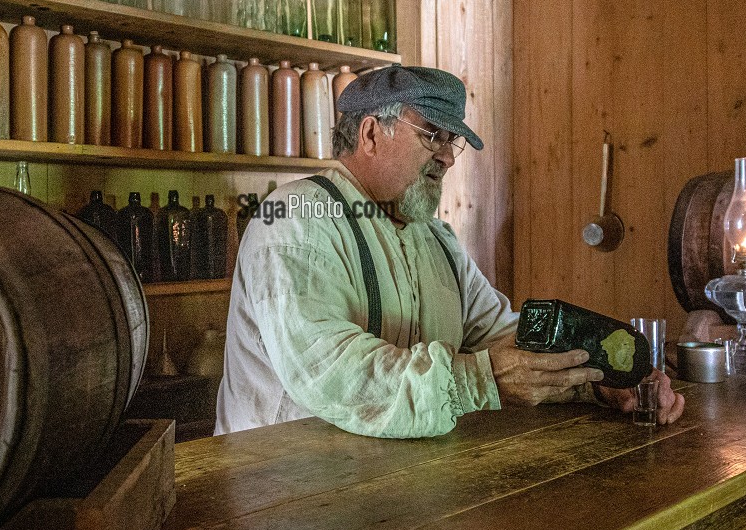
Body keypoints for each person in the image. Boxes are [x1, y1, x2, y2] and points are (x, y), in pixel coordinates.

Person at [215, 65, 684, 438]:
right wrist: (478, 380)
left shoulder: (435, 239)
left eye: (451, 141)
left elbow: (505, 337)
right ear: (372, 134)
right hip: (282, 501)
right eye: (431, 135)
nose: (447, 156)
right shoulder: (293, 215)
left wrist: (600, 381)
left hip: (387, 495)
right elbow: (332, 373)